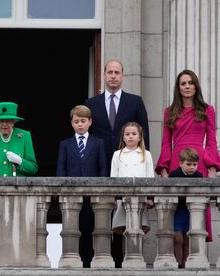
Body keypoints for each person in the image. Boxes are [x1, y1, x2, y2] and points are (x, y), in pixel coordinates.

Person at [84, 59, 150, 267]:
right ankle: (93, 258)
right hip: (98, 165)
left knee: (124, 212)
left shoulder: (135, 101)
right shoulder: (91, 104)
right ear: (104, 75)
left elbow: (144, 134)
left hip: (128, 165)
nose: (113, 76)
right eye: (109, 72)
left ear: (123, 76)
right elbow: (87, 135)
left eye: (117, 72)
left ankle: (120, 260)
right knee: (98, 212)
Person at [155, 69, 220, 242]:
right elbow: (165, 142)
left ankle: (197, 258)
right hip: (176, 165)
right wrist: (164, 170)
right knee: (177, 213)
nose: (187, 86)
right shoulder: (169, 111)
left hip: (198, 164)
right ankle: (179, 262)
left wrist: (212, 168)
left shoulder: (208, 110)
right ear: (178, 88)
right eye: (183, 83)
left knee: (198, 210)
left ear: (196, 86)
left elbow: (212, 142)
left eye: (190, 82)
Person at [0, 102, 38, 243]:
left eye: (8, 121)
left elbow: (33, 168)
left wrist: (20, 161)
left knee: (17, 240)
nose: (4, 124)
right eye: (1, 121)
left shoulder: (24, 136)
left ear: (14, 121)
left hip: (18, 197)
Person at [56, 105, 107, 267]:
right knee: (72, 231)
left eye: (83, 121)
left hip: (93, 198)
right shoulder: (65, 144)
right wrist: (61, 194)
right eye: (76, 121)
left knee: (92, 230)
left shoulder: (98, 143)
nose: (80, 124)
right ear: (71, 123)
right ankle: (73, 262)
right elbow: (61, 170)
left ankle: (89, 263)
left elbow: (103, 169)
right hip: (71, 198)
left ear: (90, 122)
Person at [110, 122, 154, 264]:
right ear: (123, 137)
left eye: (134, 134)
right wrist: (114, 198)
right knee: (125, 231)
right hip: (122, 199)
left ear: (140, 137)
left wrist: (149, 198)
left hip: (140, 199)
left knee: (138, 230)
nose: (130, 137)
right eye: (127, 134)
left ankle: (138, 259)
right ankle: (126, 261)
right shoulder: (117, 155)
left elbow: (150, 177)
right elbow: (113, 178)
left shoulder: (146, 155)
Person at [168, 148, 203, 268]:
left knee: (188, 238)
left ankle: (186, 264)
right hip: (178, 211)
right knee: (178, 238)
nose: (192, 167)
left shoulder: (199, 176)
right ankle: (178, 263)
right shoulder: (174, 175)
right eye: (188, 164)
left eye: (195, 164)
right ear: (180, 163)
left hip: (192, 212)